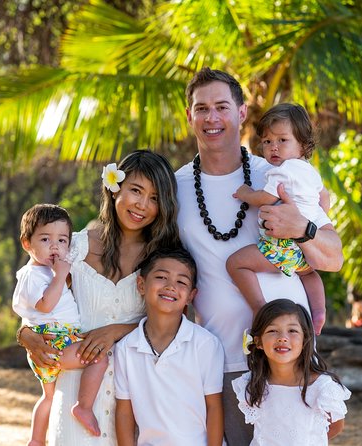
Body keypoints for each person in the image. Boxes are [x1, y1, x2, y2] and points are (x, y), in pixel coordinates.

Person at [176, 67, 343, 445]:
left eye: (221, 106)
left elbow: (333, 258)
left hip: (289, 356)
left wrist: (302, 229)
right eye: (201, 109)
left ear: (241, 113)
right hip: (223, 359)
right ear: (190, 117)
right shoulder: (176, 187)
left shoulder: (280, 174)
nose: (212, 117)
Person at [17, 150, 181, 446]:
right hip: (76, 393)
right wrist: (26, 333)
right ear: (114, 187)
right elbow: (36, 296)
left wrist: (116, 331)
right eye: (135, 190)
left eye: (155, 198)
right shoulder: (73, 246)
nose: (142, 205)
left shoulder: (164, 259)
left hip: (137, 396)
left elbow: (175, 325)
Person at [226, 103, 331, 336]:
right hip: (304, 249)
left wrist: (245, 193)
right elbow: (324, 198)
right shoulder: (310, 171)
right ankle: (319, 311)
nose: (273, 148)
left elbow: (265, 197)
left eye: (282, 141)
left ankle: (258, 308)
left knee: (235, 263)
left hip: (282, 247)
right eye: (267, 142)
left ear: (303, 145)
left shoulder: (283, 171)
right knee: (309, 273)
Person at [13, 204, 109, 444]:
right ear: (27, 244)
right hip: (54, 339)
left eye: (62, 240)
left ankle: (36, 440)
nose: (55, 247)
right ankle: (83, 407)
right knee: (99, 357)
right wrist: (59, 276)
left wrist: (60, 274)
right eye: (45, 239)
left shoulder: (49, 270)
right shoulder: (32, 274)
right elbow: (45, 305)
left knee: (49, 397)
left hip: (56, 338)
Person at [114, 248, 224, 446]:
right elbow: (124, 412)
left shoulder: (205, 344)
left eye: (181, 282)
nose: (171, 286)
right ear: (141, 284)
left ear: (191, 296)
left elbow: (214, 408)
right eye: (162, 277)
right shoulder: (125, 349)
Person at [233, 299, 351, 445]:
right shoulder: (252, 383)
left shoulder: (321, 387)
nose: (282, 338)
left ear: (305, 339)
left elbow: (336, 426)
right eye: (272, 331)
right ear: (258, 342)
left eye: (292, 331)